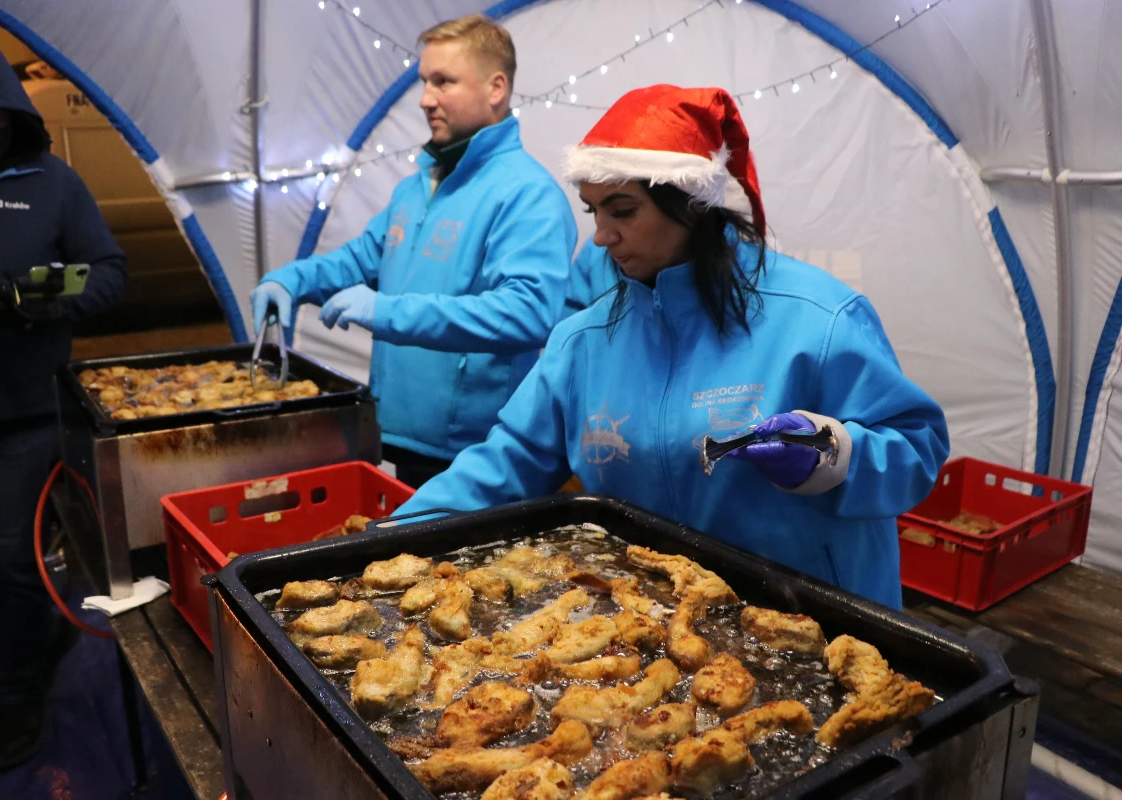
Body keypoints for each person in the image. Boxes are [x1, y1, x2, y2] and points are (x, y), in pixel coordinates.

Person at [393, 85, 950, 610]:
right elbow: (506, 462)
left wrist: (834, 455)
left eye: (622, 209)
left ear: (690, 204)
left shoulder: (818, 319)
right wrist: (386, 541)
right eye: (595, 211)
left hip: (815, 622)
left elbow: (917, 449)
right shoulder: (584, 343)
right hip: (662, 632)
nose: (601, 236)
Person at [251, 14, 577, 488]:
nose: (426, 99)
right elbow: (360, 260)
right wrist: (290, 280)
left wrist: (389, 312)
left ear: (496, 88)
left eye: (443, 82)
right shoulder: (415, 188)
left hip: (481, 450)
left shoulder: (527, 195)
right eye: (425, 82)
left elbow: (528, 313)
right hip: (401, 433)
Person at [0, 29, 127, 770]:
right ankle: (38, 634)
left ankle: (18, 700)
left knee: (14, 560)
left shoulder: (52, 183)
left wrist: (30, 293)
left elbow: (106, 273)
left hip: (22, 412)